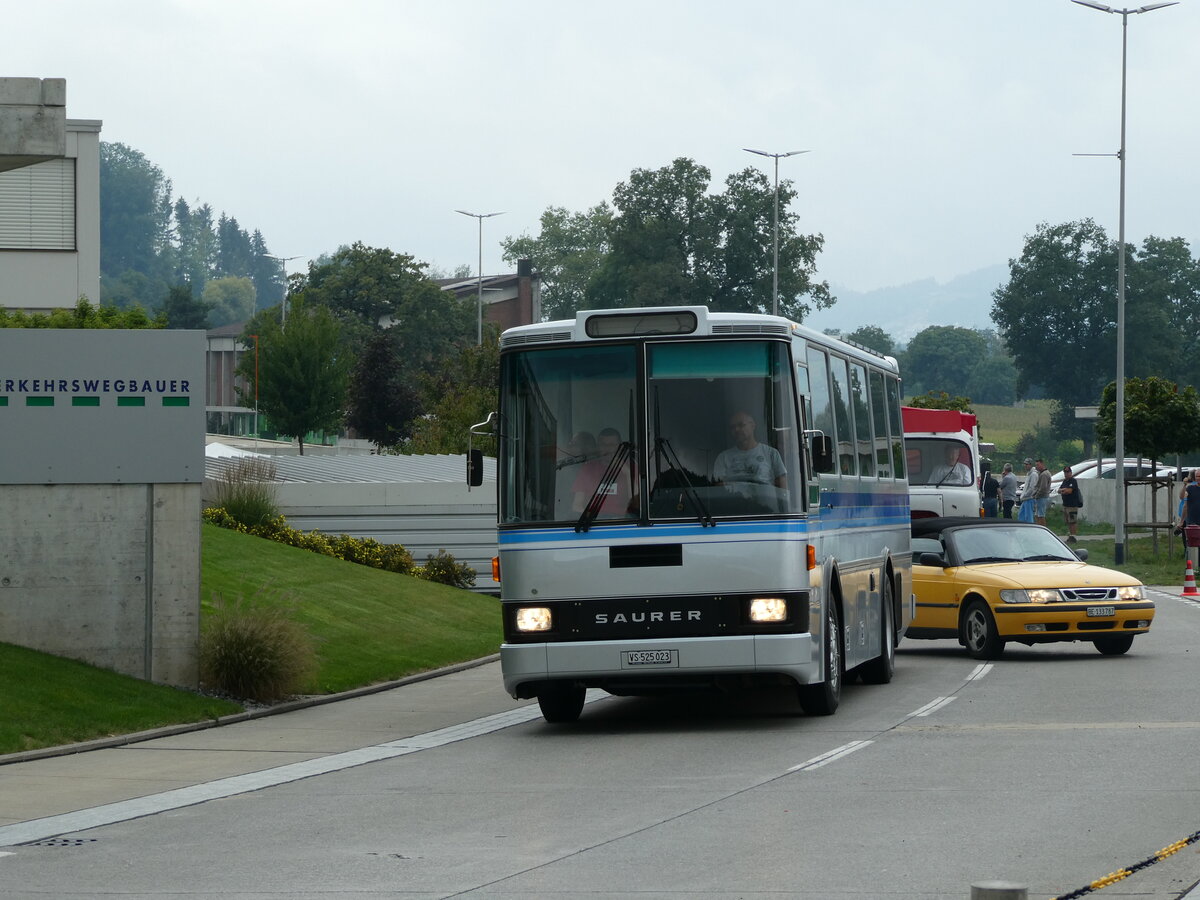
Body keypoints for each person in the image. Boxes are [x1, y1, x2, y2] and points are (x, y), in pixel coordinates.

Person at [713, 410, 787, 488]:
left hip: (764, 500)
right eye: (733, 427)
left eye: (741, 425)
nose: (736, 429)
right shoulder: (723, 458)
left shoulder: (771, 454)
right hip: (733, 499)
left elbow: (783, 489)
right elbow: (719, 488)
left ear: (753, 425)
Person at [572, 427, 635, 516]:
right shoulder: (588, 468)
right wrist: (593, 518)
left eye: (612, 444)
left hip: (622, 521)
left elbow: (637, 502)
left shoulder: (630, 466)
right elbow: (576, 505)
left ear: (620, 447)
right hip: (593, 522)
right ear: (598, 447)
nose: (607, 448)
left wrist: (627, 472)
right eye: (603, 444)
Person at [1057, 464, 1083, 543]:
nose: (1066, 473)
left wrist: (1064, 490)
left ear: (1071, 472)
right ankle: (1070, 536)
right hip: (1066, 505)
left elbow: (1069, 491)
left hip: (1072, 505)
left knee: (1072, 521)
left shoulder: (1073, 481)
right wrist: (1064, 489)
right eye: (1065, 472)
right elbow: (1059, 490)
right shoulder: (1065, 481)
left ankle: (1073, 537)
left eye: (1068, 472)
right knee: (1068, 521)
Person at [1017, 457, 1038, 522]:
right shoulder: (1029, 474)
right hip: (1025, 499)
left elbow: (1032, 488)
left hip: (1029, 499)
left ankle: (1030, 529)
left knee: (1029, 517)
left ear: (1031, 465)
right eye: (1025, 464)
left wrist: (1024, 495)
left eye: (1027, 464)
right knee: (1021, 516)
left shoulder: (1034, 474)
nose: (1025, 466)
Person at [1033, 458, 1052, 526]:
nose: (1036, 467)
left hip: (1042, 497)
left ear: (1042, 464)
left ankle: (1043, 529)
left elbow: (1043, 488)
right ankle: (1038, 528)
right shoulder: (1042, 473)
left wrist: (1036, 495)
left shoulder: (1044, 474)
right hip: (1041, 497)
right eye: (1036, 465)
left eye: (1038, 465)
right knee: (1037, 515)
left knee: (1041, 515)